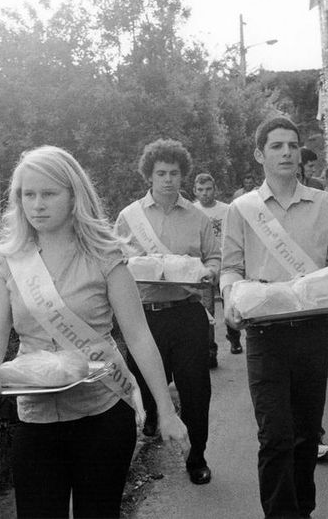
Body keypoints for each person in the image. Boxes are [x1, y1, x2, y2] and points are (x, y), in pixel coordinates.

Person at [0, 146, 190, 518]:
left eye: (49, 193)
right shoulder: (9, 262)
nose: (36, 204)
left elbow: (138, 336)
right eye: (28, 194)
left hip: (102, 415)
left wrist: (166, 411)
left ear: (73, 196)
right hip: (35, 419)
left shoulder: (106, 256)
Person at [221, 117, 328, 518]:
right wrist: (231, 299)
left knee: (306, 434)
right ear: (260, 154)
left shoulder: (325, 204)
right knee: (275, 436)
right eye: (277, 146)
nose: (286, 153)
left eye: (292, 146)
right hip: (265, 335)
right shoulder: (241, 210)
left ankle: (303, 510)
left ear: (300, 154)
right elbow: (230, 269)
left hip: (313, 330)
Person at [115, 139, 219, 485]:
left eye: (174, 173)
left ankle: (196, 458)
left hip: (187, 313)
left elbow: (214, 258)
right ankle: (145, 430)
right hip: (144, 316)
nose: (168, 180)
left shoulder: (198, 217)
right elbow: (114, 262)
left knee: (196, 390)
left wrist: (210, 272)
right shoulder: (129, 217)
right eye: (161, 173)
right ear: (149, 175)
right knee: (137, 387)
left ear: (182, 175)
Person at [192, 172, 243, 357]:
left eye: (208, 189)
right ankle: (210, 350)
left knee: (231, 301)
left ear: (215, 189)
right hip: (204, 265)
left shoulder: (227, 209)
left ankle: (234, 336)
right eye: (200, 190)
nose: (205, 193)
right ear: (195, 191)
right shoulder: (191, 211)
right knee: (207, 308)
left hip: (227, 262)